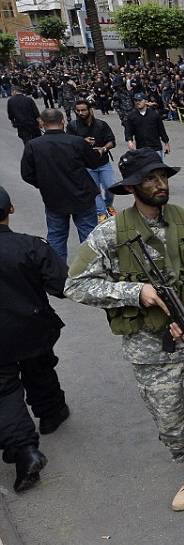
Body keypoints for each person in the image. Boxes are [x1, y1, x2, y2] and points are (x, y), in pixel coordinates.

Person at [64, 149, 184, 520]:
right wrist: (135, 293)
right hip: (149, 347)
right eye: (149, 179)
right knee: (169, 417)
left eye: (162, 176)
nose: (159, 184)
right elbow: (75, 284)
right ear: (131, 187)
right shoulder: (110, 233)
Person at [0, 186, 70, 493]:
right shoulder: (30, 246)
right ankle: (51, 413)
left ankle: (25, 450)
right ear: (11, 210)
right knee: (39, 366)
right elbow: (62, 283)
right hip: (33, 326)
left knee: (4, 390)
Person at [21, 108, 100, 262]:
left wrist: (43, 183)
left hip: (54, 197)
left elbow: (27, 174)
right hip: (82, 195)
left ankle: (58, 276)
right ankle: (92, 271)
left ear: (41, 123)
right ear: (63, 121)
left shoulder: (33, 145)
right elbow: (93, 163)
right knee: (89, 236)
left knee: (56, 236)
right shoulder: (76, 141)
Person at [67, 99, 117, 222]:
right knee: (94, 191)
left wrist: (104, 148)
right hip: (86, 165)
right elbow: (68, 144)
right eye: (77, 111)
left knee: (111, 187)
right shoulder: (73, 126)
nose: (80, 113)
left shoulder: (101, 125)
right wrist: (82, 141)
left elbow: (112, 141)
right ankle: (101, 212)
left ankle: (108, 204)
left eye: (83, 110)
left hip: (103, 163)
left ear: (90, 111)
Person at [125, 92, 171, 161]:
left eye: (140, 100)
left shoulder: (155, 115)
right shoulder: (131, 116)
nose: (138, 102)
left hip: (156, 148)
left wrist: (166, 143)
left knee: (158, 169)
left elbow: (161, 130)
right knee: (143, 169)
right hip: (141, 148)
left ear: (146, 101)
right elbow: (128, 131)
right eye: (136, 100)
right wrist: (129, 141)